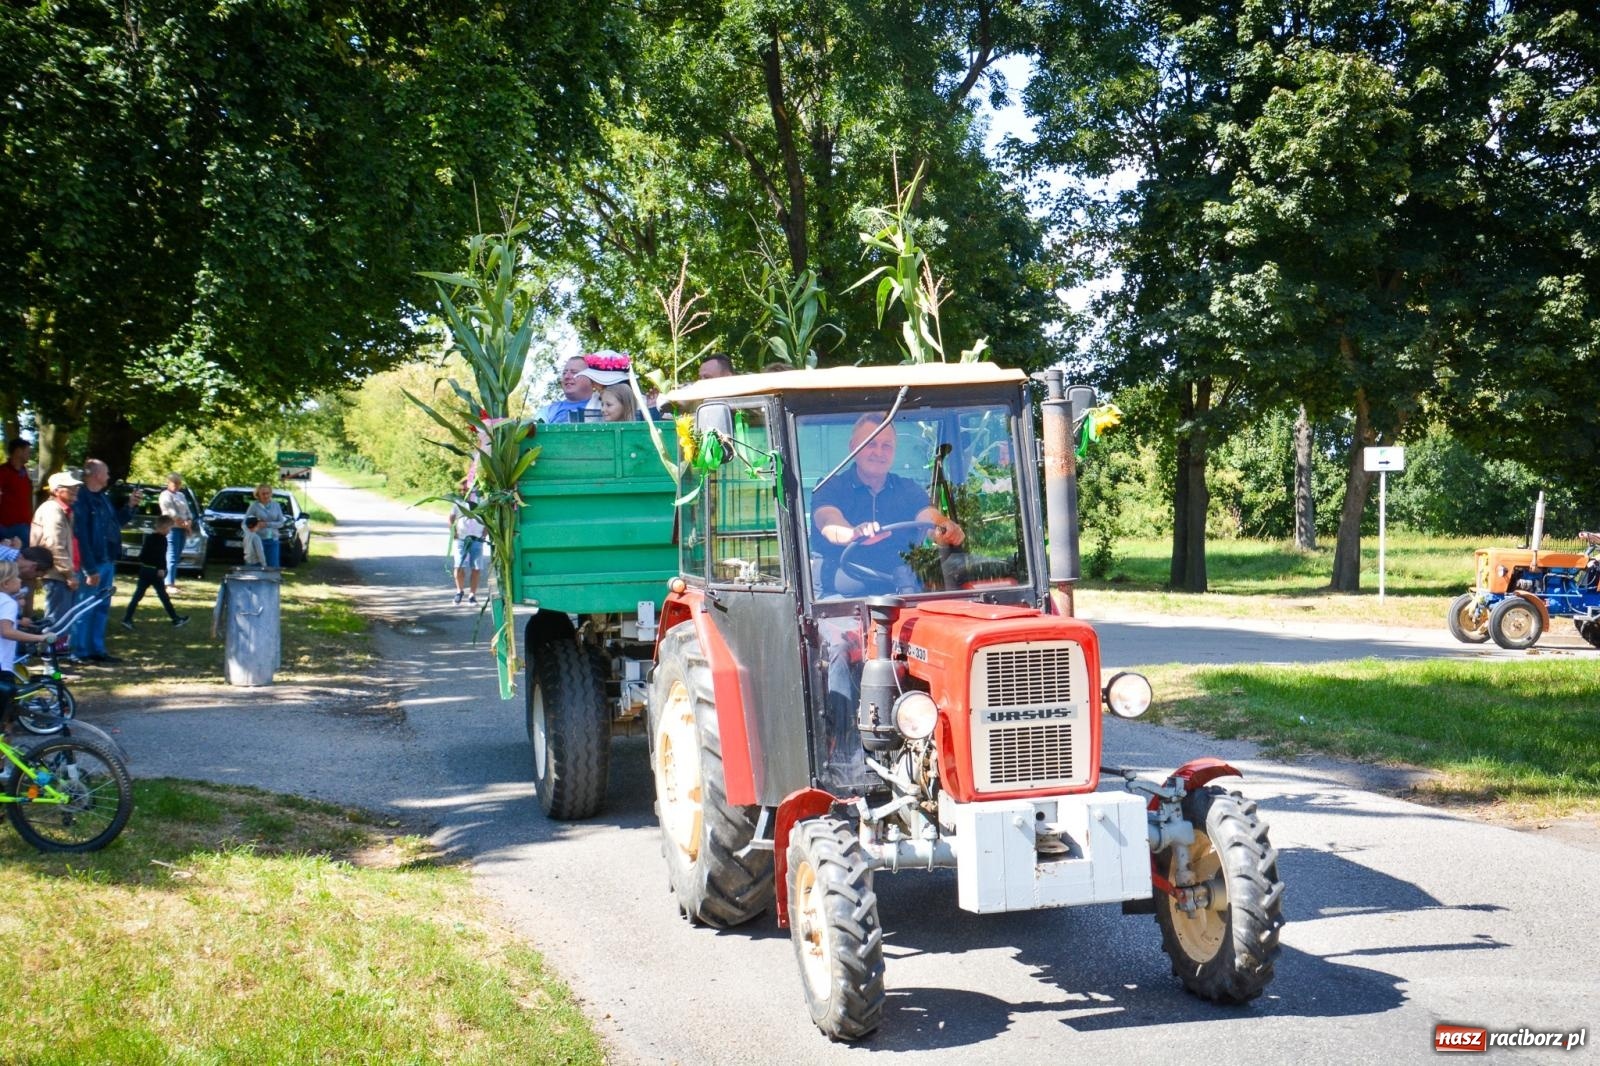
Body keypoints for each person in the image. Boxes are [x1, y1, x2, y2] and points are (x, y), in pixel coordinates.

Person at [811, 414, 965, 596]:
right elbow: (829, 522)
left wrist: (944, 528)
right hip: (839, 602)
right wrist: (853, 534)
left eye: (887, 446)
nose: (879, 452)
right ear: (853, 447)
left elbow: (929, 517)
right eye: (871, 444)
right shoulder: (830, 486)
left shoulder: (908, 489)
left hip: (902, 593)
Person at [71, 459, 137, 664]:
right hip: (93, 562)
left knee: (101, 607)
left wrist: (130, 506)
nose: (109, 476)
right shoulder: (81, 498)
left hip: (108, 559)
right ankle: (78, 651)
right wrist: (89, 568)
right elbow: (80, 536)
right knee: (85, 606)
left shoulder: (103, 498)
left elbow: (115, 522)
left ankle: (96, 649)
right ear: (95, 474)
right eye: (106, 472)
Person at [0, 560, 60, 720]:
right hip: (2, 665)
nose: (21, 581)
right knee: (6, 717)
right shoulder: (7, 602)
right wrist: (39, 637)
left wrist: (19, 621)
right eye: (17, 578)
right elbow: (6, 631)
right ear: (6, 583)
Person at [28, 470, 81, 628]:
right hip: (56, 574)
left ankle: (58, 650)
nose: (75, 490)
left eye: (76, 487)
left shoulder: (61, 510)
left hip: (60, 573)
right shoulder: (53, 510)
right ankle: (49, 651)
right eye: (70, 487)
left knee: (62, 618)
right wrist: (69, 574)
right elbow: (55, 545)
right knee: (57, 620)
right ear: (57, 490)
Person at [120, 515, 188, 630]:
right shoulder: (162, 540)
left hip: (145, 570)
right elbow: (161, 556)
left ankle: (127, 618)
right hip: (155, 572)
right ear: (165, 527)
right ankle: (175, 619)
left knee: (137, 596)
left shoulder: (149, 538)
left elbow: (143, 555)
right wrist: (161, 568)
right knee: (163, 596)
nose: (169, 531)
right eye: (169, 528)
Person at [450, 481, 486, 605]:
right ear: (463, 490)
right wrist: (453, 532)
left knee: (476, 567)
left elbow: (487, 518)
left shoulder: (481, 501)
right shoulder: (458, 502)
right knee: (459, 566)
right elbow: (451, 517)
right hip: (461, 538)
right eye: (466, 489)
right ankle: (459, 591)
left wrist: (484, 533)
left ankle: (472, 595)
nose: (469, 491)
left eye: (472, 489)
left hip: (477, 538)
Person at [157, 473, 193, 593]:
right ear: (169, 482)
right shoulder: (165, 495)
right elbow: (172, 513)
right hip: (171, 528)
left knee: (177, 556)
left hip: (183, 528)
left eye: (179, 483)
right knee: (171, 556)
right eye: (175, 483)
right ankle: (168, 584)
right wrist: (185, 525)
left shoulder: (181, 495)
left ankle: (171, 581)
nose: (177, 486)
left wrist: (189, 522)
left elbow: (188, 511)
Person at [540, 355, 597, 423]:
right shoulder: (547, 412)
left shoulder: (607, 407)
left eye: (574, 372)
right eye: (564, 373)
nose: (566, 376)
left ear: (592, 378)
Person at [0, 438, 33, 544]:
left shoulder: (25, 472)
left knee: (26, 558)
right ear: (18, 451)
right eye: (27, 451)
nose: (29, 454)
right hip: (6, 526)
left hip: (25, 525)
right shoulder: (3, 471)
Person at [245, 483, 285, 568]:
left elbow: (281, 523)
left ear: (271, 493)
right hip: (258, 540)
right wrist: (252, 530)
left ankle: (273, 581)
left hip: (273, 540)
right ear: (258, 495)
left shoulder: (276, 505)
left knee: (273, 566)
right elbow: (245, 523)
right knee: (256, 566)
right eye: (263, 494)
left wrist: (267, 524)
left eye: (268, 493)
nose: (266, 496)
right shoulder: (254, 506)